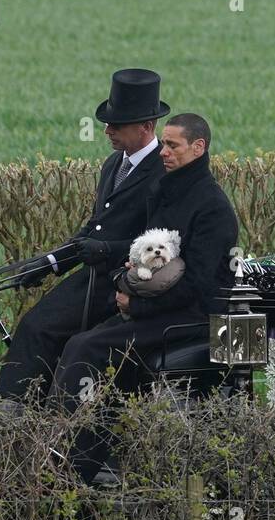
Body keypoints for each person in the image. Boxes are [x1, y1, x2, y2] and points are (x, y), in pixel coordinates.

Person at [53, 112, 239, 485]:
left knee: (86, 347)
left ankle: (71, 460)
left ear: (198, 148)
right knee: (75, 340)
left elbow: (198, 285)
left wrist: (137, 307)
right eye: (163, 144)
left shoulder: (213, 208)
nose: (164, 153)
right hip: (157, 308)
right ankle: (87, 453)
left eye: (173, 146)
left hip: (192, 318)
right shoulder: (165, 192)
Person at [0, 69, 170, 404]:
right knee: (34, 325)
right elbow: (95, 227)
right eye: (106, 123)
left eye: (117, 125)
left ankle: (10, 413)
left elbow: (157, 244)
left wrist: (104, 250)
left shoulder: (161, 173)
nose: (107, 131)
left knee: (40, 327)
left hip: (124, 280)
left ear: (146, 126)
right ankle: (24, 407)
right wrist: (50, 262)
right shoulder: (113, 164)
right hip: (94, 275)